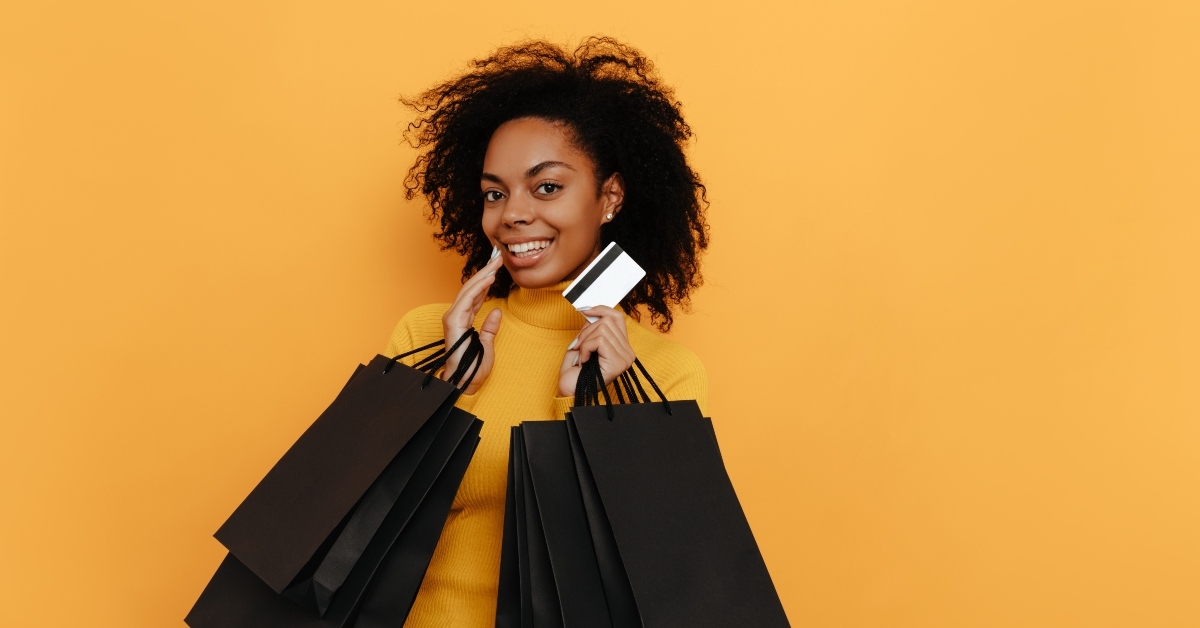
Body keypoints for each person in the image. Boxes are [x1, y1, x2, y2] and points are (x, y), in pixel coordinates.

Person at [385, 37, 710, 627]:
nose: (512, 213)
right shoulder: (426, 335)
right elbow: (355, 517)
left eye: (547, 187)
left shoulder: (662, 372)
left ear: (608, 197)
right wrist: (450, 388)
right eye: (494, 193)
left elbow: (640, 574)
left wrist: (585, 404)